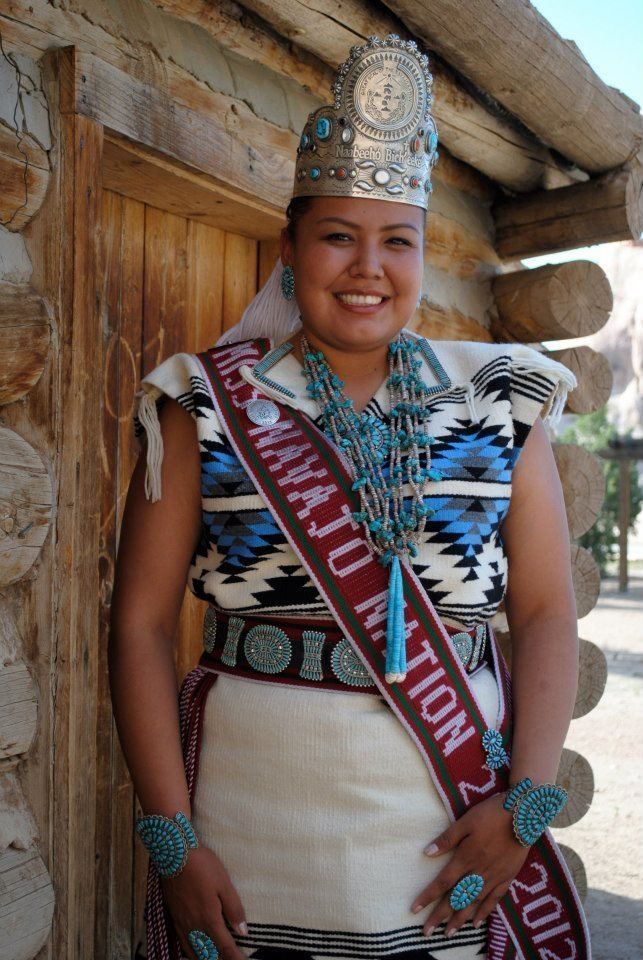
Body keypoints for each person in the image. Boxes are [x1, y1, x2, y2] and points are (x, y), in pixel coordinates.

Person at [109, 34, 590, 960]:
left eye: (395, 241)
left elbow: (542, 612)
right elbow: (135, 625)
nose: (367, 266)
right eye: (337, 236)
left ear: (421, 252)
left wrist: (524, 810)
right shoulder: (203, 404)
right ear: (288, 250)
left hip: (452, 826)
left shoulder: (499, 401)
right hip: (252, 826)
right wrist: (174, 842)